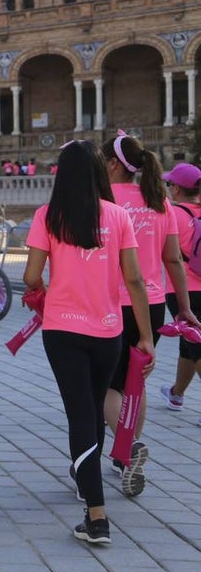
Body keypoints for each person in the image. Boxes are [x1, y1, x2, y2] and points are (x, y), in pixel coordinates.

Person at [23, 140, 152, 546]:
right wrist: (145, 335)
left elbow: (29, 277)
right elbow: (133, 279)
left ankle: (96, 516)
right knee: (92, 410)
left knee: (80, 414)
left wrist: (46, 290)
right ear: (100, 172)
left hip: (62, 330)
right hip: (109, 330)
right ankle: (87, 480)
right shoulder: (117, 215)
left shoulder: (48, 216)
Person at [101, 133, 197, 494]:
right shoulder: (159, 201)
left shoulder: (104, 200)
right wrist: (184, 308)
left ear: (112, 164)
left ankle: (129, 451)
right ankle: (125, 455)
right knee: (134, 383)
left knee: (106, 386)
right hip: (153, 304)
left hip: (110, 302)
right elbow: (173, 258)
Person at [161, 163, 201, 419]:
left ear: (176, 188)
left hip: (183, 289)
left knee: (197, 345)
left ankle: (177, 394)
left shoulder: (173, 215)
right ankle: (176, 394)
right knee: (189, 345)